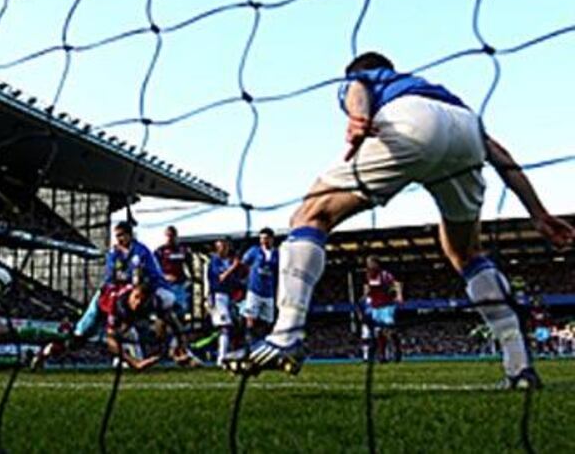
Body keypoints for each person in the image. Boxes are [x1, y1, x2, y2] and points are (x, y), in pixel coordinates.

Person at [233, 51, 574, 388]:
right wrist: (538, 213)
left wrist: (358, 118)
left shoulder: (366, 79)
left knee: (310, 215)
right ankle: (519, 368)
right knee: (467, 253)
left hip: (410, 123)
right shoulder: (434, 89)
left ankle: (286, 333)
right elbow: (500, 155)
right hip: (467, 133)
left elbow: (357, 88)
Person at [205, 237, 243, 366]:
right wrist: (233, 267)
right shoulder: (214, 262)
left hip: (229, 296)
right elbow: (220, 277)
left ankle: (227, 353)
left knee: (233, 326)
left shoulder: (230, 260)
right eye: (221, 246)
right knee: (224, 327)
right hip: (218, 296)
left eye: (225, 246)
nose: (224, 249)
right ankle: (221, 357)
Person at [240, 227, 278, 345]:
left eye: (266, 239)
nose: (263, 241)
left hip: (269, 292)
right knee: (250, 318)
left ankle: (265, 343)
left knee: (268, 321)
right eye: (261, 239)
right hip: (254, 290)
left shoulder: (277, 254)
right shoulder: (254, 251)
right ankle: (249, 344)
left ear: (272, 239)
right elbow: (243, 264)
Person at [362, 255, 403, 362]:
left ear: (376, 263)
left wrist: (399, 295)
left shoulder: (384, 274)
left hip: (387, 305)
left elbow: (396, 284)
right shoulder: (368, 275)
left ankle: (397, 350)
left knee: (389, 329)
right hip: (375, 307)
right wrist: (365, 297)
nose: (368, 265)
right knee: (379, 332)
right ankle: (383, 356)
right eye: (367, 263)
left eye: (370, 262)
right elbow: (367, 287)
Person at [154, 225, 195, 315]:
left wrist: (191, 277)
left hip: (180, 283)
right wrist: (164, 276)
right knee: (167, 309)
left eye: (172, 235)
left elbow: (190, 265)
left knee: (181, 309)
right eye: (168, 235)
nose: (170, 238)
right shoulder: (160, 251)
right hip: (165, 284)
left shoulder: (182, 250)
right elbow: (154, 269)